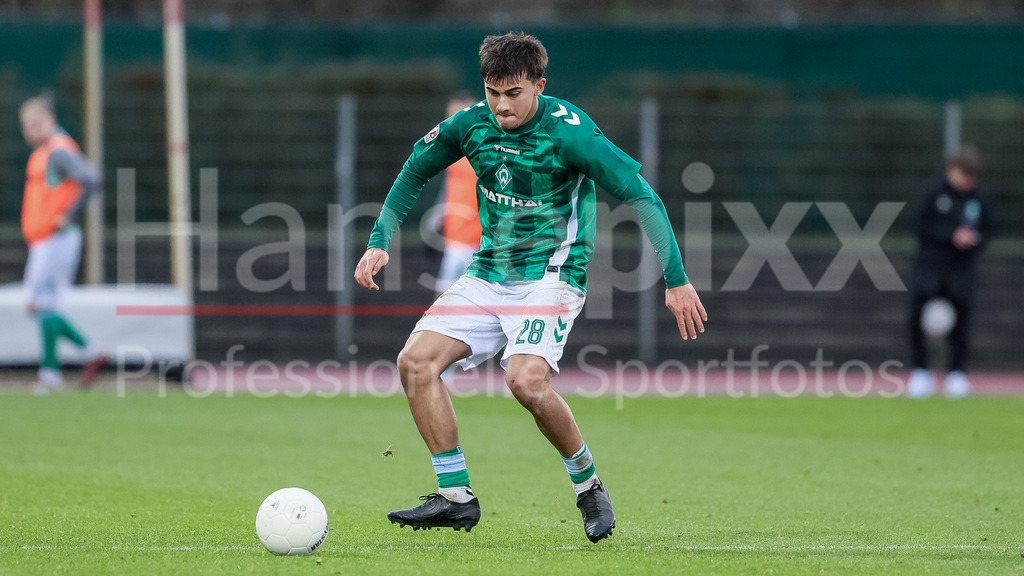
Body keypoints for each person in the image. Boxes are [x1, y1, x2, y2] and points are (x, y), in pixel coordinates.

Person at [354, 32, 706, 543]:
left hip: (552, 276)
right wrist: (379, 240)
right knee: (415, 363)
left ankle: (588, 486)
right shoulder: (471, 124)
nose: (501, 105)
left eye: (513, 93)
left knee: (525, 381)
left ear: (539, 85)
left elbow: (643, 197)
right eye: (492, 92)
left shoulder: (570, 133)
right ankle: (456, 496)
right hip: (488, 273)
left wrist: (676, 279)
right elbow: (414, 170)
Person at [19, 96, 108, 393]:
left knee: (41, 304)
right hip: (45, 239)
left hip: (56, 238)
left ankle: (51, 374)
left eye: (37, 123)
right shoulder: (45, 152)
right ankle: (89, 354)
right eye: (27, 126)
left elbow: (91, 178)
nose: (31, 130)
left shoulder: (58, 150)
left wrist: (68, 215)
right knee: (41, 306)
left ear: (51, 120)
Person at [905, 145, 993, 399]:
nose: (967, 180)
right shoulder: (933, 193)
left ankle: (957, 374)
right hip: (930, 268)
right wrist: (951, 235)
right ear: (951, 170)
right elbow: (920, 225)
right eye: (963, 173)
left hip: (961, 271)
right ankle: (921, 372)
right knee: (917, 318)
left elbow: (988, 231)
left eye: (971, 175)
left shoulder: (978, 199)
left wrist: (973, 239)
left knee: (962, 321)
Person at [433, 94, 482, 297]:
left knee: (475, 298)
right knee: (443, 297)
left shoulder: (485, 152)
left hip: (479, 239)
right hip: (455, 237)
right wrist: (437, 219)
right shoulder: (451, 152)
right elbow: (448, 191)